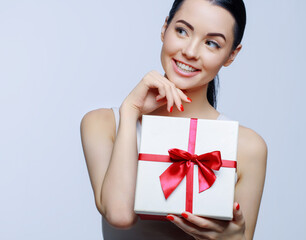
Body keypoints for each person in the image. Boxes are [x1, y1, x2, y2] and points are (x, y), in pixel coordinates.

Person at [80, 0, 267, 239]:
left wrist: (234, 238)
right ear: (164, 28)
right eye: (182, 31)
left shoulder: (247, 147)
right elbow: (120, 215)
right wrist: (130, 112)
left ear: (231, 55)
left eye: (211, 43)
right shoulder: (102, 124)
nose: (190, 51)